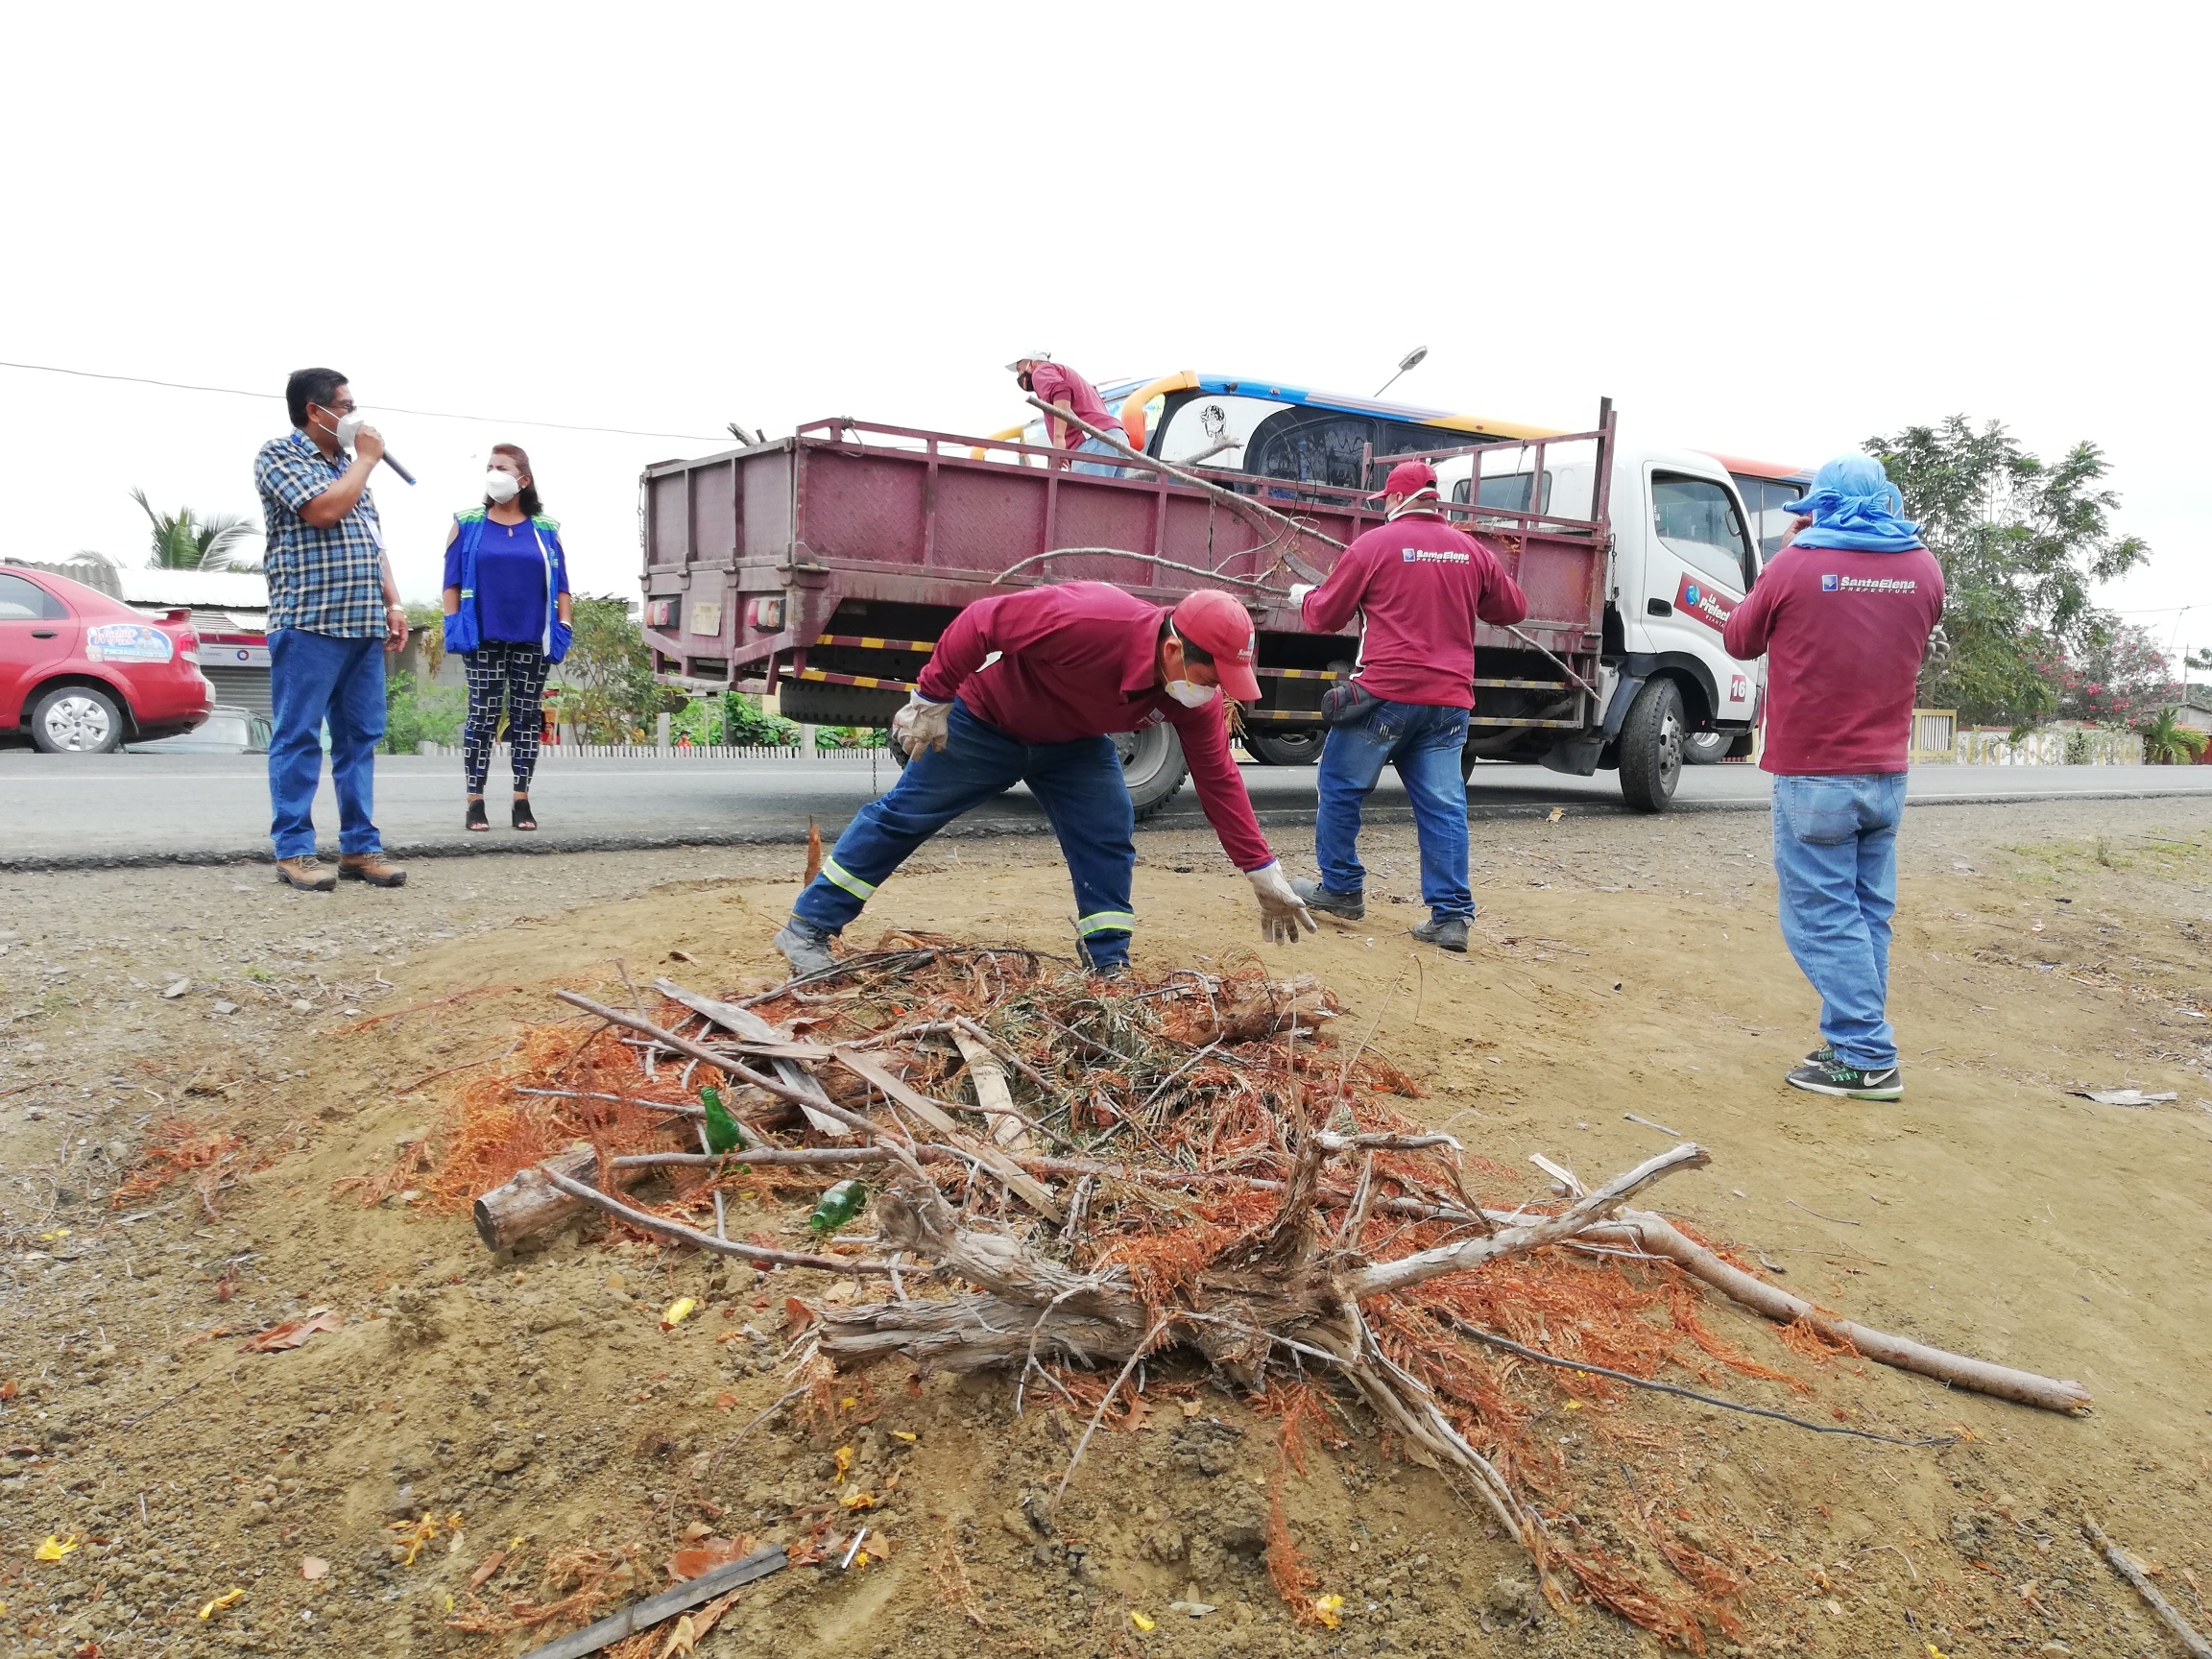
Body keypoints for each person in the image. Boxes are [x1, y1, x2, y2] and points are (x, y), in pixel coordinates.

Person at [773, 584, 1315, 977]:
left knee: (1107, 833)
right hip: (986, 724)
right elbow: (982, 620)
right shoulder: (1091, 619)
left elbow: (1219, 780)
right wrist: (931, 697)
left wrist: (1260, 869)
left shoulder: (1193, 699)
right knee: (903, 817)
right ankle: (808, 928)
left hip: (1074, 744)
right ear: (1173, 650)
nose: (1213, 691)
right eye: (1210, 677)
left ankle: (1108, 961)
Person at [1721, 454, 1944, 1101]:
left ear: (1817, 508)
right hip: (1886, 773)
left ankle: (1867, 1055)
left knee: (1820, 919)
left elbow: (1740, 639)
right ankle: (1851, 1041)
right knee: (1866, 915)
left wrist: (1789, 553)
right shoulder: (1924, 567)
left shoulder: (1796, 564)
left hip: (1815, 773)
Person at [1286, 460, 1527, 953]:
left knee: (1340, 786)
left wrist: (1304, 597)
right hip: (1448, 703)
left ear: (1397, 499)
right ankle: (1451, 918)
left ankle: (1341, 888)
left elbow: (1324, 616)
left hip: (1384, 696)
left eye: (1386, 500)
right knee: (1444, 806)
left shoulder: (1373, 546)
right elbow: (1513, 610)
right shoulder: (1471, 551)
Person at [252, 368, 408, 892]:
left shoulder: (349, 467)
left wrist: (394, 603)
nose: (353, 417)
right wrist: (366, 460)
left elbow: (374, 542)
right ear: (314, 412)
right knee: (298, 737)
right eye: (345, 407)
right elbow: (323, 511)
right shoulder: (280, 455)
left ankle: (360, 847)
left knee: (359, 739)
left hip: (362, 623)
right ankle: (294, 850)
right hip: (309, 622)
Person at [441, 445, 572, 830]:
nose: (493, 473)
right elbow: (451, 580)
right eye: (490, 467)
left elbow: (562, 584)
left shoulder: (545, 528)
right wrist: (454, 623)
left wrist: (564, 625)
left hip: (532, 636)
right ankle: (475, 800)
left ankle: (521, 799)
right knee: (482, 714)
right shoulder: (467, 522)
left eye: (502, 467)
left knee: (526, 717)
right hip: (483, 635)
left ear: (523, 480)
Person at [1007, 352, 1122, 476]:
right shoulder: (1066, 374)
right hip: (1115, 440)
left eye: (1019, 369)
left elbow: (1061, 390)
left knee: (1084, 489)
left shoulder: (1040, 371)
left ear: (1031, 363)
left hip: (1094, 442)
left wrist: (1059, 442)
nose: (1019, 375)